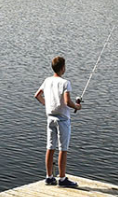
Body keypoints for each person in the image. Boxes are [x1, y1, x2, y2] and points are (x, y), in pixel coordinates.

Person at [34, 55, 82, 187]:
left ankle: (49, 176)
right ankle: (62, 178)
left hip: (50, 118)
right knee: (63, 148)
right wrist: (77, 106)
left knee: (50, 147)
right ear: (63, 68)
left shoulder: (47, 80)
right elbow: (67, 101)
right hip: (62, 120)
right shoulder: (65, 83)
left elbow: (37, 95)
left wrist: (47, 104)